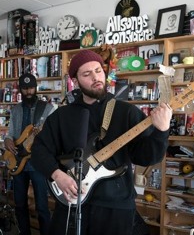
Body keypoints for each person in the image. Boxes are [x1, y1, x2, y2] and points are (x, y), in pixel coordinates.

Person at [31, 49, 172, 235]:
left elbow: (147, 157)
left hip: (115, 206)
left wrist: (161, 131)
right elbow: (39, 151)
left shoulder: (127, 112)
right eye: (87, 74)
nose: (95, 77)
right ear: (75, 81)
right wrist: (58, 176)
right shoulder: (61, 116)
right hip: (70, 203)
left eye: (98, 70)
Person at [4, 73, 55, 235]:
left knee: (42, 206)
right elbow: (10, 134)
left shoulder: (47, 109)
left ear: (36, 88)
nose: (29, 92)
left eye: (31, 88)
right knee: (19, 204)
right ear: (20, 90)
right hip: (18, 162)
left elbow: (54, 135)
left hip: (38, 163)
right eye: (25, 89)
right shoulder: (16, 109)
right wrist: (7, 141)